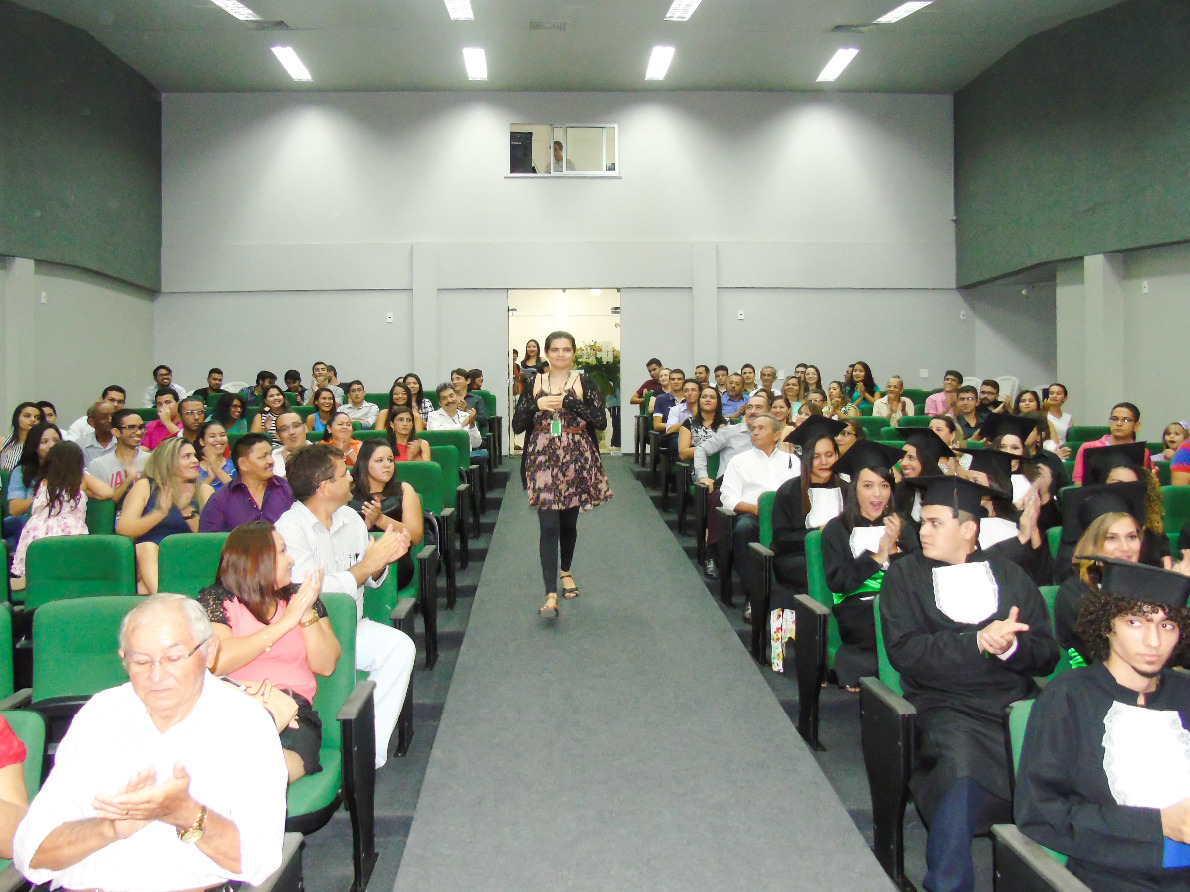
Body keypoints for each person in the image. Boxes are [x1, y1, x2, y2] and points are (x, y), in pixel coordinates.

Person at [13, 594, 287, 890]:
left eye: (173, 658)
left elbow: (259, 860)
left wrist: (187, 814)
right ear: (123, 659)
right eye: (141, 661)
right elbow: (31, 852)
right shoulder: (100, 715)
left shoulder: (245, 724)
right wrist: (110, 828)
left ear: (209, 652)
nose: (156, 676)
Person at [879, 475, 1058, 892]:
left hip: (1013, 699)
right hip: (944, 702)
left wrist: (1010, 649)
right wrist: (975, 642)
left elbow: (1047, 652)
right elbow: (905, 652)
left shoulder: (1010, 575)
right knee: (961, 764)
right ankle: (947, 882)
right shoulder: (904, 577)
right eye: (922, 521)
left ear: (969, 529)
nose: (922, 530)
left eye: (935, 522)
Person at [1015, 558, 1190, 892]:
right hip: (1115, 875)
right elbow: (1040, 812)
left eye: (1167, 625)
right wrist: (1158, 824)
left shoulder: (1186, 692)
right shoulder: (1068, 698)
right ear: (1108, 624)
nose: (1154, 641)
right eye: (1136, 622)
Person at [273, 445, 417, 768]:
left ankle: (367, 751)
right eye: (343, 474)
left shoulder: (350, 517)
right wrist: (368, 565)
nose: (352, 477)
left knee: (400, 647)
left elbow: (369, 575)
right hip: (308, 630)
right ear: (324, 486)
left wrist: (384, 559)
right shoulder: (289, 528)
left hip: (353, 624)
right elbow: (312, 590)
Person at [198, 524, 341, 783]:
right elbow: (218, 662)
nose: (292, 560)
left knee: (266, 772)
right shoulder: (216, 600)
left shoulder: (300, 598)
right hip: (235, 707)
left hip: (292, 713)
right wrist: (285, 623)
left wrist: (305, 612)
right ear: (257, 561)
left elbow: (327, 664)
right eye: (283, 552)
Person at [511, 330, 612, 618]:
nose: (560, 355)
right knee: (549, 526)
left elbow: (600, 421)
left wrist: (571, 403)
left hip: (576, 458)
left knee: (568, 523)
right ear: (546, 353)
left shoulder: (585, 381)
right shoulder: (533, 382)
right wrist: (536, 405)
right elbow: (517, 426)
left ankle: (566, 570)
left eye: (566, 350)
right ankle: (550, 594)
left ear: (574, 353)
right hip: (541, 457)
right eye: (555, 350)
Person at [818, 440, 919, 687]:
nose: (877, 494)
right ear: (854, 489)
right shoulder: (837, 528)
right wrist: (877, 556)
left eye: (884, 485)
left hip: (899, 603)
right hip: (858, 609)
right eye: (868, 486)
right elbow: (837, 582)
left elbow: (919, 577)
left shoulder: (901, 526)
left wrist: (894, 551)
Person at [766, 416, 848, 660]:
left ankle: (840, 645)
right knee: (816, 573)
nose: (824, 462)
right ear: (806, 458)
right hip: (796, 558)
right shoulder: (790, 491)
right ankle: (809, 647)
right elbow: (780, 540)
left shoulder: (848, 490)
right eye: (816, 456)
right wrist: (816, 534)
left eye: (829, 454)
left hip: (839, 557)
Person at [720, 412, 801, 621]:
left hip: (787, 519)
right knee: (743, 529)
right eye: (753, 428)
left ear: (777, 435)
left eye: (761, 428)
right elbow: (727, 497)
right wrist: (754, 508)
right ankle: (752, 597)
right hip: (753, 515)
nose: (755, 432)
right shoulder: (739, 461)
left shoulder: (792, 461)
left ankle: (794, 604)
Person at [1053, 505, 1148, 665]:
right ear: (1093, 544)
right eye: (1111, 538)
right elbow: (1101, 654)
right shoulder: (1074, 592)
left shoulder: (1152, 583)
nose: (1125, 547)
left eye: (1131, 537)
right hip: (1100, 683)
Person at [117, 438, 214, 594]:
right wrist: (160, 513)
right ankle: (164, 597)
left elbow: (208, 539)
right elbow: (124, 528)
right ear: (168, 461)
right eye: (187, 456)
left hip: (186, 556)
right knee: (147, 548)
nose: (195, 460)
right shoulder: (145, 486)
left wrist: (186, 511)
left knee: (143, 589)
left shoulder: (205, 491)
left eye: (195, 455)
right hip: (149, 559)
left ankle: (158, 595)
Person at [693, 393, 773, 579]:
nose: (753, 411)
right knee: (717, 498)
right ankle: (712, 554)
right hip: (729, 485)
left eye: (758, 407)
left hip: (761, 489)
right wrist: (703, 476)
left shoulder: (776, 436)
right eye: (750, 406)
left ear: (768, 411)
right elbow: (701, 449)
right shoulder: (730, 432)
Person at [9, 440, 112, 580]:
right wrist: (88, 490)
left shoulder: (44, 480)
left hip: (37, 528)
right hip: (69, 527)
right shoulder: (81, 479)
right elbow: (107, 492)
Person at [348, 440, 423, 590]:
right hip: (355, 556)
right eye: (379, 461)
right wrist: (367, 526)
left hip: (396, 560)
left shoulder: (403, 490)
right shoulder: (348, 494)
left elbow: (415, 536)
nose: (387, 465)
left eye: (390, 460)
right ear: (364, 464)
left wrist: (380, 519)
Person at [200, 433, 295, 532]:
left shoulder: (287, 490)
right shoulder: (220, 500)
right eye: (263, 457)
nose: (271, 461)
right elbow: (208, 542)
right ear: (243, 464)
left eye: (270, 455)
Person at [4, 422, 61, 547]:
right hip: (25, 519)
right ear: (34, 446)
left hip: (55, 521)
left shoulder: (69, 471)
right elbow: (14, 509)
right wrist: (44, 497)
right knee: (22, 523)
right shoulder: (21, 471)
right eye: (44, 442)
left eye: (56, 441)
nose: (52, 446)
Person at [1074, 403, 1154, 484]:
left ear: (1136, 426)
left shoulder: (1143, 452)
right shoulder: (1088, 447)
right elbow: (1078, 483)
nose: (1119, 423)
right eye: (1114, 419)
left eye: (1126, 420)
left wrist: (1151, 480)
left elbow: (1150, 486)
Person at [87, 408, 150, 504]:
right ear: (116, 432)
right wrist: (128, 481)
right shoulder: (98, 465)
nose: (138, 432)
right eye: (131, 427)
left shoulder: (151, 460)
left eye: (141, 427)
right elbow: (105, 506)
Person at [428, 383, 486, 465]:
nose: (449, 400)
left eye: (451, 396)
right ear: (440, 403)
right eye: (444, 398)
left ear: (457, 397)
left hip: (465, 457)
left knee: (483, 454)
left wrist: (472, 424)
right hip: (443, 458)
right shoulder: (433, 416)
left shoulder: (465, 415)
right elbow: (441, 436)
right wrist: (462, 424)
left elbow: (476, 443)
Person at [678, 386, 726, 462]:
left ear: (718, 402)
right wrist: (711, 448)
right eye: (704, 397)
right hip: (698, 466)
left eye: (712, 398)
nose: (708, 400)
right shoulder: (689, 423)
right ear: (699, 401)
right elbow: (683, 454)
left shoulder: (728, 423)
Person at [67, 401, 117, 465]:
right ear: (92, 422)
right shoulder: (81, 445)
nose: (110, 420)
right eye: (105, 417)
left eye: (113, 416)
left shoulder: (124, 441)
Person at [0, 403, 43, 472]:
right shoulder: (3, 441)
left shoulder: (41, 445)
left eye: (37, 418)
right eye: (27, 416)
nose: (33, 420)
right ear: (17, 418)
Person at [195, 421, 235, 491]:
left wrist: (216, 469)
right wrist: (209, 479)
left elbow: (238, 493)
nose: (219, 440)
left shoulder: (235, 466)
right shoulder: (194, 469)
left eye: (222, 435)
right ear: (202, 441)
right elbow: (194, 499)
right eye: (212, 436)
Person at [271, 411, 308, 477]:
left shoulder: (322, 453)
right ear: (277, 436)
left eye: (296, 426)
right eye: (284, 429)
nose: (291, 432)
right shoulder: (271, 459)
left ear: (305, 428)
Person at [1044, 382, 1073, 448]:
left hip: (1064, 448)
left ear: (1065, 398)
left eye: (1058, 394)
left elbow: (1070, 438)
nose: (1054, 396)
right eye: (1051, 393)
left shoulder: (1068, 417)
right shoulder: (1044, 414)